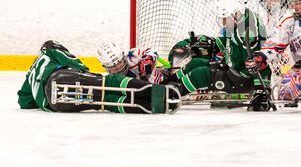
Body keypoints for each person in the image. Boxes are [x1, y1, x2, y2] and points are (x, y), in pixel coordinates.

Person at [17, 40, 181, 114]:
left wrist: (148, 60)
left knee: (104, 100)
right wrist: (85, 73)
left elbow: (24, 102)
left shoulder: (31, 72)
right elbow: (78, 65)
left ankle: (150, 100)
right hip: (59, 77)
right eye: (113, 66)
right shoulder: (52, 51)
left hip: (50, 104)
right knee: (106, 85)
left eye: (119, 63)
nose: (118, 68)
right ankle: (155, 95)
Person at [162, 0, 269, 97]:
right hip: (232, 69)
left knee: (200, 74)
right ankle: (166, 82)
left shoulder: (248, 32)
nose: (223, 22)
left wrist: (260, 91)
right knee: (196, 63)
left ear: (236, 14)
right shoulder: (241, 20)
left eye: (225, 18)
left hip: (241, 79)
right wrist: (213, 43)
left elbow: (259, 63)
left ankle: (167, 95)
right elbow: (230, 43)